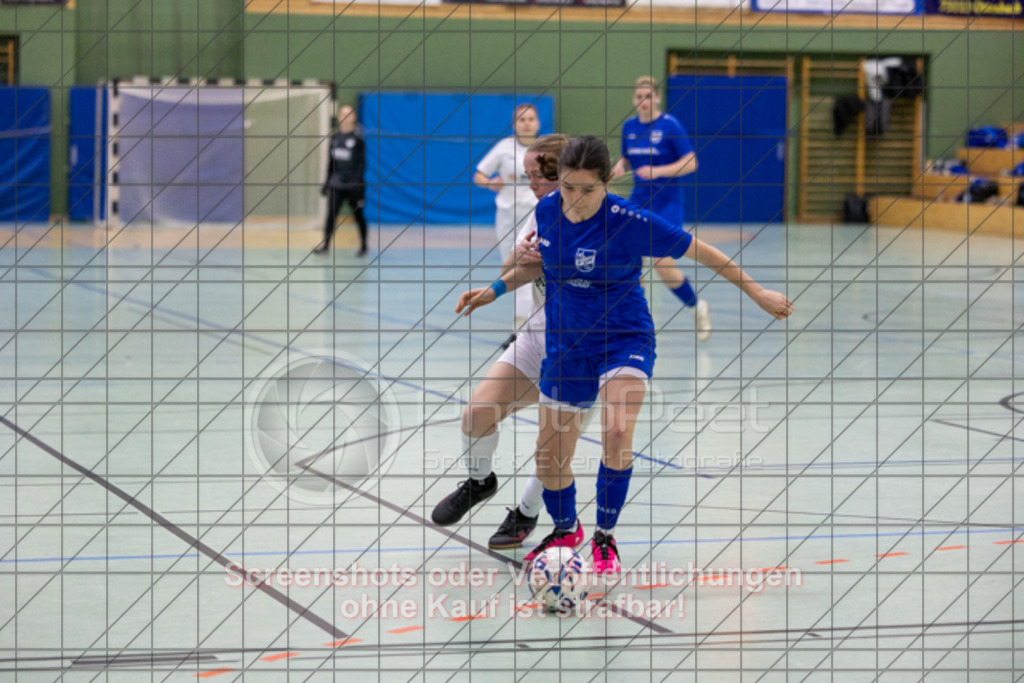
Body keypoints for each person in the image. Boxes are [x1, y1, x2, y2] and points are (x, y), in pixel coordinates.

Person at [457, 136, 793, 573]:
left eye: (587, 190)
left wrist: (758, 291)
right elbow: (542, 265)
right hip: (567, 343)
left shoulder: (630, 220)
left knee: (617, 433)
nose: (576, 199)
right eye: (568, 187)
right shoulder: (547, 210)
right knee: (549, 456)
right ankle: (565, 529)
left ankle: (604, 537)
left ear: (606, 183)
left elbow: (702, 251)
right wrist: (493, 291)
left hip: (624, 337)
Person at [432, 135, 577, 553]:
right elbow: (516, 269)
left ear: (563, 175)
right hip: (534, 338)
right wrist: (496, 285)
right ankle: (480, 482)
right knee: (477, 414)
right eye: (527, 175)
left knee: (552, 451)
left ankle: (527, 512)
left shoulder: (601, 224)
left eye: (536, 176)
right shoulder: (541, 213)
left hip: (578, 352)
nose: (529, 184)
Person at [611, 76, 712, 342]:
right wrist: (620, 166)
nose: (644, 102)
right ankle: (637, 322)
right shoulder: (630, 127)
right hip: (639, 200)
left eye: (649, 96)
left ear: (656, 98)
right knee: (631, 262)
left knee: (663, 263)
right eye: (639, 97)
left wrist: (658, 171)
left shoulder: (670, 125)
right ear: (634, 99)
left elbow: (691, 163)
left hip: (667, 202)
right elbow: (627, 157)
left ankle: (696, 305)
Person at [474, 104, 541, 331]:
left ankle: (530, 326)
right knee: (514, 269)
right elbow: (479, 175)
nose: (527, 123)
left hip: (536, 216)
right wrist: (490, 183)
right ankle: (520, 328)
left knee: (536, 270)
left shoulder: (545, 149)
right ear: (515, 125)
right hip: (508, 217)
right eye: (522, 120)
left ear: (538, 123)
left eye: (531, 119)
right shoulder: (504, 148)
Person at [316, 104, 368, 257]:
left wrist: (358, 184)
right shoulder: (335, 138)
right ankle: (325, 246)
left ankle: (364, 246)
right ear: (339, 117)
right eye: (342, 113)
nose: (345, 116)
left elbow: (362, 164)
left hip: (353, 185)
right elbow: (331, 163)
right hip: (337, 183)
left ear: (353, 117)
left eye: (348, 113)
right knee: (331, 214)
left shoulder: (358, 139)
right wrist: (327, 182)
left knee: (358, 215)